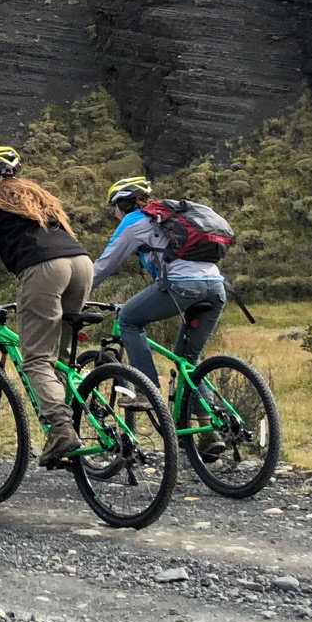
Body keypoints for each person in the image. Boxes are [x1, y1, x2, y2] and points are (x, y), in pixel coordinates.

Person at [0, 146, 92, 467]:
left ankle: (61, 429)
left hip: (44, 268)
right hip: (81, 263)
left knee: (36, 359)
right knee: (60, 357)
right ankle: (71, 427)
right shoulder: (37, 196)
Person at [86, 176, 227, 440]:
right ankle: (209, 432)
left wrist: (77, 291)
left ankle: (146, 391)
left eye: (113, 207)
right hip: (216, 287)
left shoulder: (133, 222)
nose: (113, 213)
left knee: (128, 319)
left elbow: (104, 265)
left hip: (182, 285)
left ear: (121, 204)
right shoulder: (167, 216)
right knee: (187, 361)